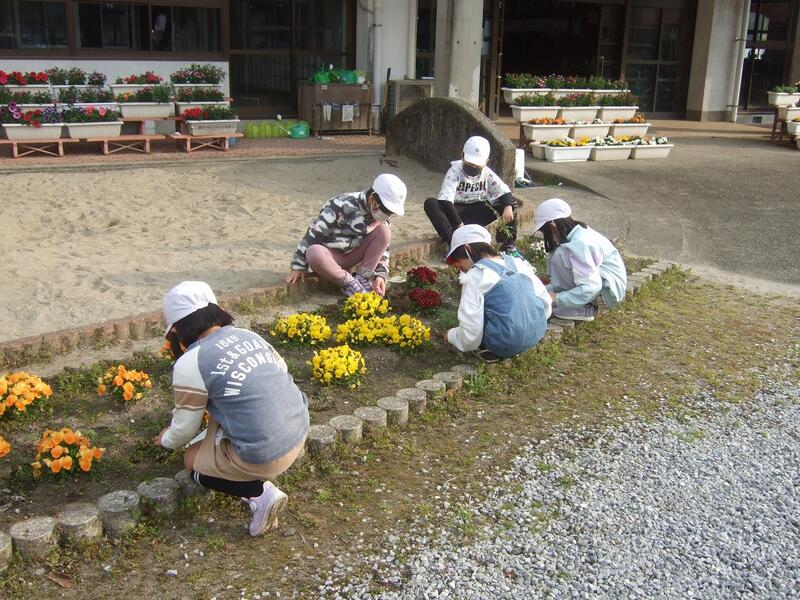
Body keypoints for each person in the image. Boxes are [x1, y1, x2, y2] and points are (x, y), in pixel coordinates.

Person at [154, 281, 309, 537]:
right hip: (300, 429)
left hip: (267, 455)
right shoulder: (247, 335)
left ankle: (260, 494)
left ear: (178, 328)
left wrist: (166, 440)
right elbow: (280, 372)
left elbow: (185, 429)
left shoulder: (191, 361)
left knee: (191, 459)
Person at [287, 173, 407, 297]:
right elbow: (314, 233)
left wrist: (380, 274)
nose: (387, 214)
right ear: (372, 199)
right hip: (329, 256)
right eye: (386, 210)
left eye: (391, 212)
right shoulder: (341, 204)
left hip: (353, 254)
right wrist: (298, 266)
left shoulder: (381, 217)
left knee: (384, 232)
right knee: (313, 252)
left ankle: (362, 279)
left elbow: (383, 249)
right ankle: (350, 284)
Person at [444, 225, 551, 362]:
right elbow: (545, 302)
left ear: (467, 248)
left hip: (503, 343)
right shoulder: (518, 263)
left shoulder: (475, 275)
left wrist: (452, 335)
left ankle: (492, 350)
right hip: (536, 333)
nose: (460, 266)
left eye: (458, 260)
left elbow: (471, 334)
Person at [532, 198, 627, 321]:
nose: (544, 236)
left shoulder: (578, 244)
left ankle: (583, 309)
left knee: (560, 254)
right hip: (610, 287)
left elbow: (592, 287)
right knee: (560, 253)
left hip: (607, 294)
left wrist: (555, 298)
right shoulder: (579, 231)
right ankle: (574, 302)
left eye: (544, 232)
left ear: (552, 226)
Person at [424, 136, 519, 254]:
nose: (473, 168)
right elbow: (446, 201)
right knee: (431, 204)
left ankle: (507, 243)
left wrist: (508, 207)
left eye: (477, 166)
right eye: (469, 164)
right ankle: (454, 243)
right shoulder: (455, 171)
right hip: (456, 213)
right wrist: (458, 224)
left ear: (486, 162)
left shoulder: (487, 173)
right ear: (462, 156)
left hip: (477, 211)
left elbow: (503, 191)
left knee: (510, 203)